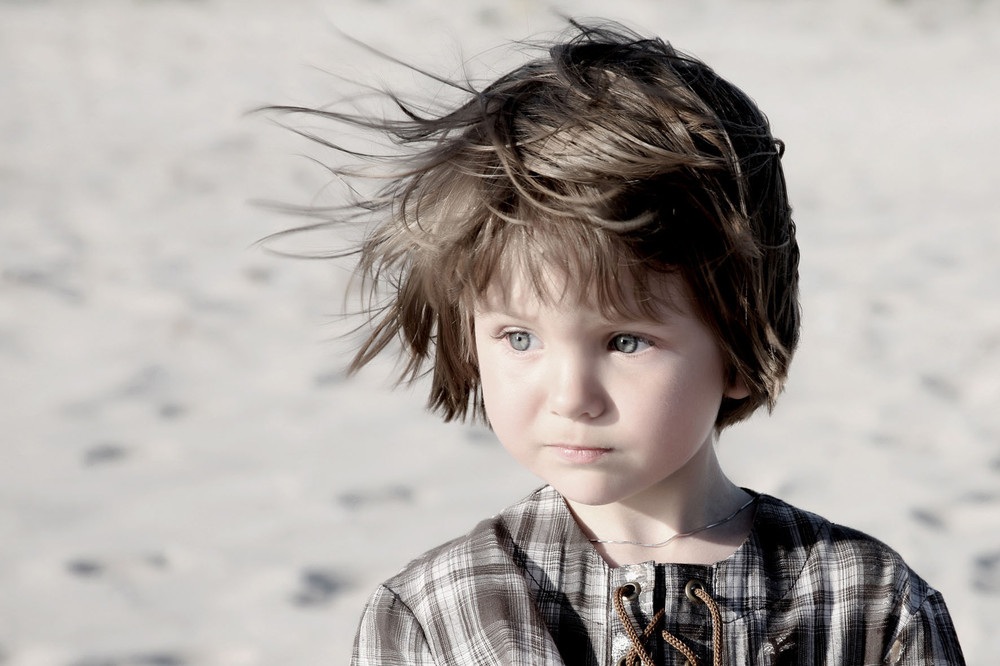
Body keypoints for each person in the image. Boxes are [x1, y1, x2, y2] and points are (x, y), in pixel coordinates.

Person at [277, 20, 965, 665]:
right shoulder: (439, 614)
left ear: (739, 343)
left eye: (626, 342)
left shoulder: (864, 603)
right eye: (520, 337)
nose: (570, 397)